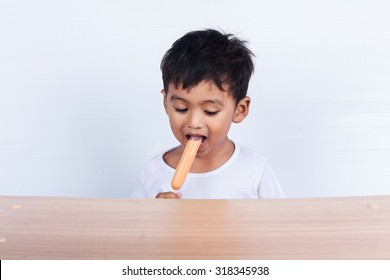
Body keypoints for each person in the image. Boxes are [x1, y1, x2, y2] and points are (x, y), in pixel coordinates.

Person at [139, 29, 285, 199]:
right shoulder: (153, 172)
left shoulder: (254, 170)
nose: (194, 122)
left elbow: (280, 221)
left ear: (240, 110)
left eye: (210, 111)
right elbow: (133, 223)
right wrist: (155, 213)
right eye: (181, 108)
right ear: (166, 103)